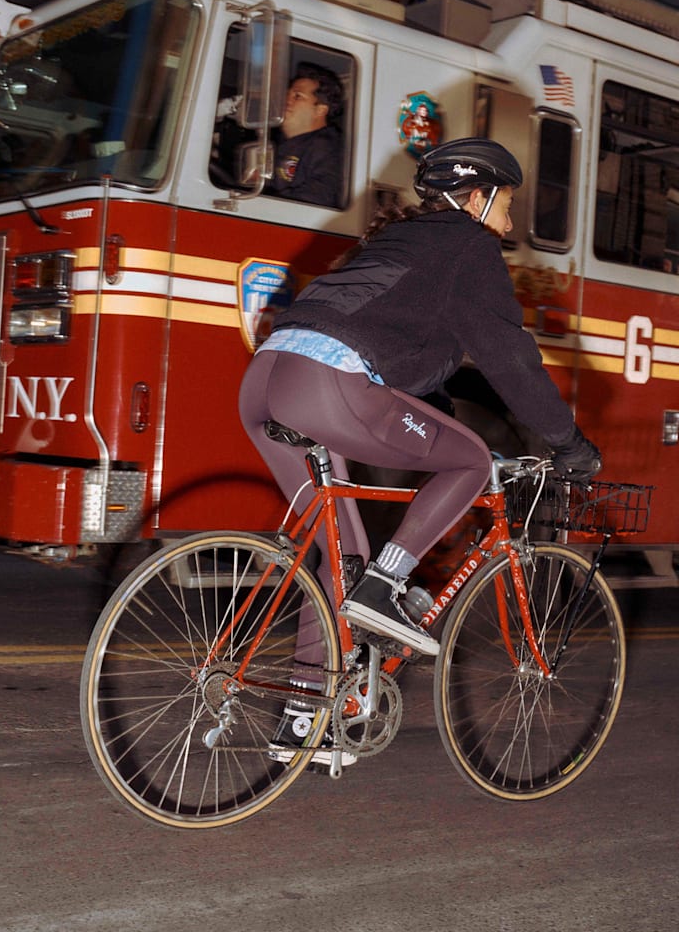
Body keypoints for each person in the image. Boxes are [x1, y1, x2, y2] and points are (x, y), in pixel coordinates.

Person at [239, 137, 601, 683]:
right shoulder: (467, 245)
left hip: (265, 381)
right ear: (476, 198)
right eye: (506, 207)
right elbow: (512, 360)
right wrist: (568, 442)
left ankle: (303, 718)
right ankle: (387, 587)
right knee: (470, 463)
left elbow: (403, 356)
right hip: (327, 383)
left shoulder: (400, 244)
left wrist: (435, 412)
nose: (506, 226)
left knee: (342, 562)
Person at [266, 62, 344, 207]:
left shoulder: (329, 148)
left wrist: (264, 202)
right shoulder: (278, 144)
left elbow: (320, 197)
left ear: (320, 110)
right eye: (287, 95)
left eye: (297, 96)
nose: (286, 101)